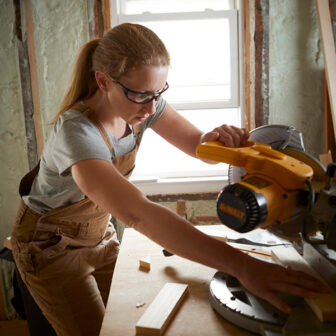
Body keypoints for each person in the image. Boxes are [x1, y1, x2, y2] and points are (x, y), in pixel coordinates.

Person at [11, 23, 327, 336]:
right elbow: (138, 213)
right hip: (49, 246)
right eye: (141, 95)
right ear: (103, 80)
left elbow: (197, 145)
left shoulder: (141, 103)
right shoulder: (77, 134)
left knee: (118, 324)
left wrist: (219, 139)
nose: (151, 107)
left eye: (158, 92)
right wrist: (243, 266)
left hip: (97, 235)